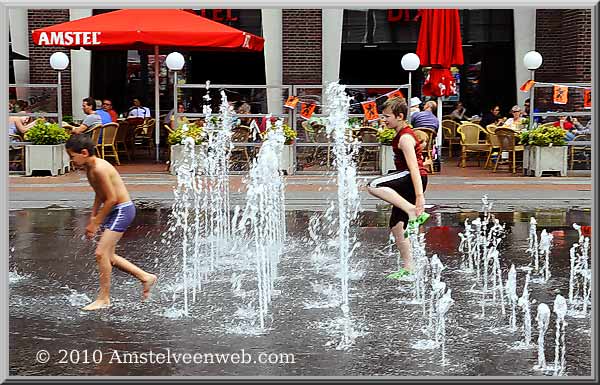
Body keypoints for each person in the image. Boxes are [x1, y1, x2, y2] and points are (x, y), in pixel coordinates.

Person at [65, 134, 157, 311]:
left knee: (101, 254)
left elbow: (112, 199)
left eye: (72, 156)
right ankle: (145, 277)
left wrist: (96, 222)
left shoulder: (99, 168)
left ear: (83, 153)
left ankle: (104, 298)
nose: (71, 160)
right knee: (109, 257)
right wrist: (93, 217)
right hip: (114, 210)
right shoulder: (90, 169)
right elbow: (100, 194)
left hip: (122, 210)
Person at [366, 97, 430, 276]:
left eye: (387, 116)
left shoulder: (406, 138)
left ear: (400, 116)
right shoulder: (401, 133)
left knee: (373, 185)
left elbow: (415, 169)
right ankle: (409, 268)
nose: (384, 120)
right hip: (409, 178)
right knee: (397, 226)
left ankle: (410, 210)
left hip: (411, 178)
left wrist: (419, 198)